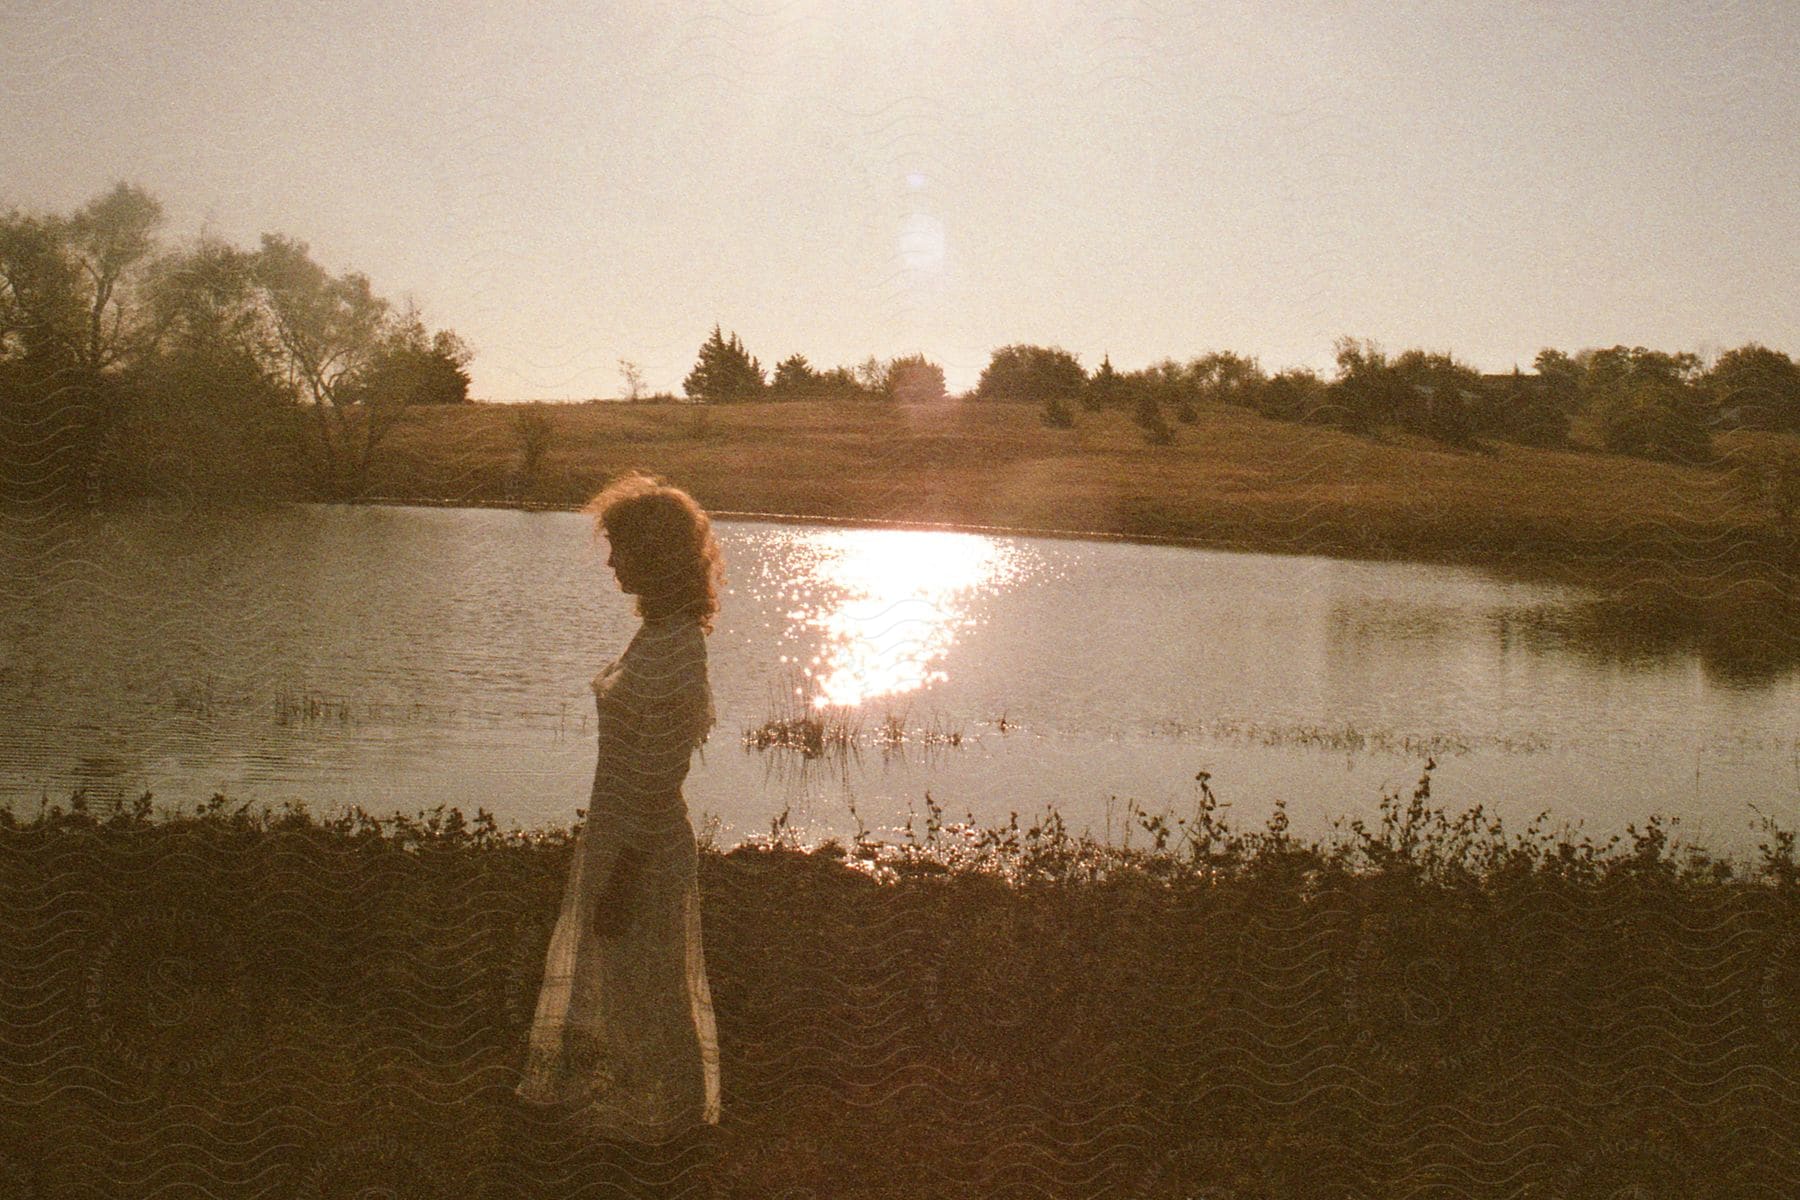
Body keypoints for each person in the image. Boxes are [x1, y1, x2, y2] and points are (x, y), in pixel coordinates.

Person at [515, 471, 723, 1141]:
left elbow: (661, 776)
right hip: (620, 835)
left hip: (643, 845)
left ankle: (671, 1133)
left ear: (656, 553)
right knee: (625, 987)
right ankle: (632, 1120)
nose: (609, 561)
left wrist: (625, 872)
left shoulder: (680, 645)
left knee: (652, 991)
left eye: (621, 547)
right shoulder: (658, 632)